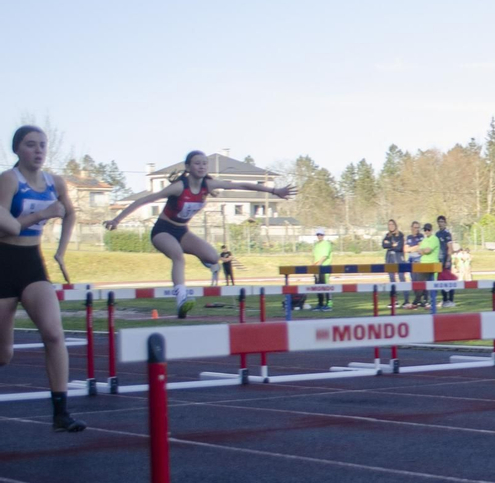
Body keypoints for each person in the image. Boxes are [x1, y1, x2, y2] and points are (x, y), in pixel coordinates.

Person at [104, 150, 296, 318]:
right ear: (188, 167)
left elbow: (242, 186)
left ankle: (204, 259)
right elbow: (145, 200)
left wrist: (274, 190)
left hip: (182, 231)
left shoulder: (208, 185)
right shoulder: (179, 186)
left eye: (205, 163)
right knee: (178, 257)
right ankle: (181, 298)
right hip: (162, 230)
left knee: (214, 257)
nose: (202, 166)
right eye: (197, 163)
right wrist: (117, 220)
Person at [1, 125, 84, 432]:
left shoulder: (55, 182)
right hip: (3, 263)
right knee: (4, 355)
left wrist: (61, 251)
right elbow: (5, 227)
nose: (38, 151)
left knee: (53, 333)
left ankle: (61, 413)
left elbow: (69, 213)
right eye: (30, 145)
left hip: (32, 265)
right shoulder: (9, 180)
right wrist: (41, 214)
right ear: (17, 149)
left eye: (42, 145)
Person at [413, 222, 440, 310]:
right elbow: (418, 250)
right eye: (425, 230)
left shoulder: (434, 239)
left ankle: (431, 302)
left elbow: (427, 250)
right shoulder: (424, 240)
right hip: (423, 265)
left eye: (428, 229)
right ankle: (417, 302)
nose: (427, 231)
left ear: (431, 230)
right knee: (420, 284)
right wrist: (423, 250)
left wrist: (423, 250)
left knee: (431, 285)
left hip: (432, 265)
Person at [310, 229, 334, 311]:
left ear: (323, 235)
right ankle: (320, 304)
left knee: (326, 286)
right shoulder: (316, 244)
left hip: (324, 267)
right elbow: (314, 256)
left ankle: (329, 304)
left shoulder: (326, 244)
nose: (319, 236)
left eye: (321, 234)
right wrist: (313, 265)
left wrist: (319, 264)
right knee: (318, 286)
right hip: (317, 268)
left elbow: (325, 255)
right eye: (318, 234)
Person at [381, 219, 405, 297]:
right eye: (389, 225)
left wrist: (389, 245)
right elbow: (384, 245)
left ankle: (406, 299)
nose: (390, 226)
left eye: (392, 224)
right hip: (389, 259)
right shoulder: (388, 235)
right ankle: (394, 299)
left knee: (401, 278)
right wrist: (392, 245)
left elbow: (399, 247)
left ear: (395, 225)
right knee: (392, 279)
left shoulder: (400, 235)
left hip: (398, 258)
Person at [436, 216, 455, 305]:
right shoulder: (437, 234)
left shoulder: (447, 234)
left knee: (449, 280)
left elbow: (450, 248)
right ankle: (444, 299)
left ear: (445, 223)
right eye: (439, 221)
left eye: (442, 221)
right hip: (439, 260)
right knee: (441, 280)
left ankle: (451, 300)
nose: (441, 223)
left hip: (445, 259)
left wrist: (448, 260)